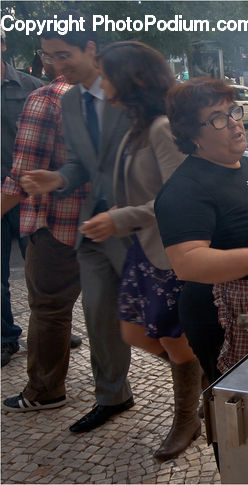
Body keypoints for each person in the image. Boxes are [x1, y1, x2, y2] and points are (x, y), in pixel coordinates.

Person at [19, 13, 134, 433]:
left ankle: (189, 408)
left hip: (127, 226)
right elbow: (83, 163)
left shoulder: (129, 96)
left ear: (91, 49)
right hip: (88, 226)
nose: (53, 65)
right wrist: (61, 178)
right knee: (100, 316)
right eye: (46, 56)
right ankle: (114, 396)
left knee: (158, 319)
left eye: (62, 54)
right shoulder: (68, 100)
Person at [155, 78, 248, 383]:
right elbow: (186, 262)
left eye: (233, 112)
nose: (235, 124)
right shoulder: (185, 189)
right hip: (232, 316)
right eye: (217, 119)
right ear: (192, 135)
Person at [92, 41, 201, 461]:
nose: (101, 84)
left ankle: (187, 418)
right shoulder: (135, 125)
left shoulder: (159, 127)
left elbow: (177, 199)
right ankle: (199, 371)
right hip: (145, 249)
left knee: (174, 341)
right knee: (135, 331)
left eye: (106, 75)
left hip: (170, 251)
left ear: (131, 78)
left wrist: (120, 218)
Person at [1, 58, 85, 410]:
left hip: (52, 219)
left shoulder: (44, 96)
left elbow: (23, 175)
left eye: (51, 53)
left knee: (49, 308)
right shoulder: (106, 97)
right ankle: (114, 391)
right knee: (100, 309)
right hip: (98, 222)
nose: (46, 60)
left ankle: (45, 391)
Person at [1, 33, 44, 367]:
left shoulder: (31, 87)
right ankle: (5, 336)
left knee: (40, 269)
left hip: (28, 194)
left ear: (2, 45)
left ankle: (48, 328)